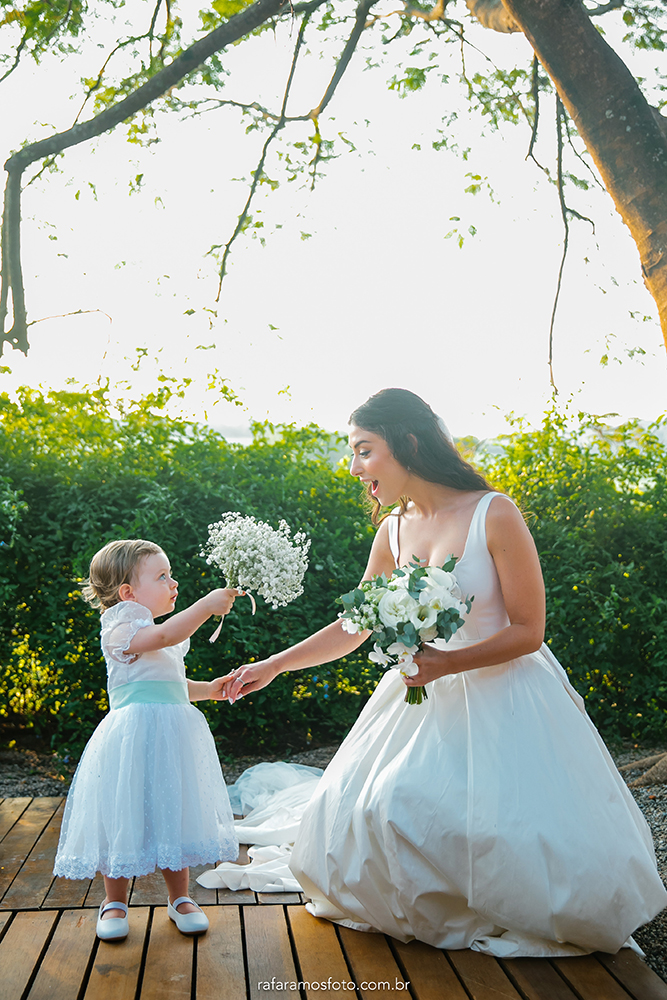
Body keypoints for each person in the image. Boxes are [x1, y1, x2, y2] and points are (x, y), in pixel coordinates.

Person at [219, 387, 667, 958]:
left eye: (364, 450)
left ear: (407, 444)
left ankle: (491, 905)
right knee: (365, 811)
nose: (354, 467)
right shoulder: (393, 531)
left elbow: (529, 630)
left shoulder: (493, 513)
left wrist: (449, 662)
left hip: (506, 694)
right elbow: (354, 626)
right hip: (416, 695)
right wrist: (274, 665)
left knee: (494, 827)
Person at [54, 539, 239, 942]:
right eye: (162, 576)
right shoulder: (121, 629)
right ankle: (115, 901)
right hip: (132, 738)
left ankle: (180, 897)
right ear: (128, 593)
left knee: (174, 807)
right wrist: (206, 606)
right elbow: (162, 639)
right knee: (124, 811)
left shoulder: (159, 633)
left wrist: (211, 688)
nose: (173, 583)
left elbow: (170, 683)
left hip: (171, 737)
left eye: (170, 575)